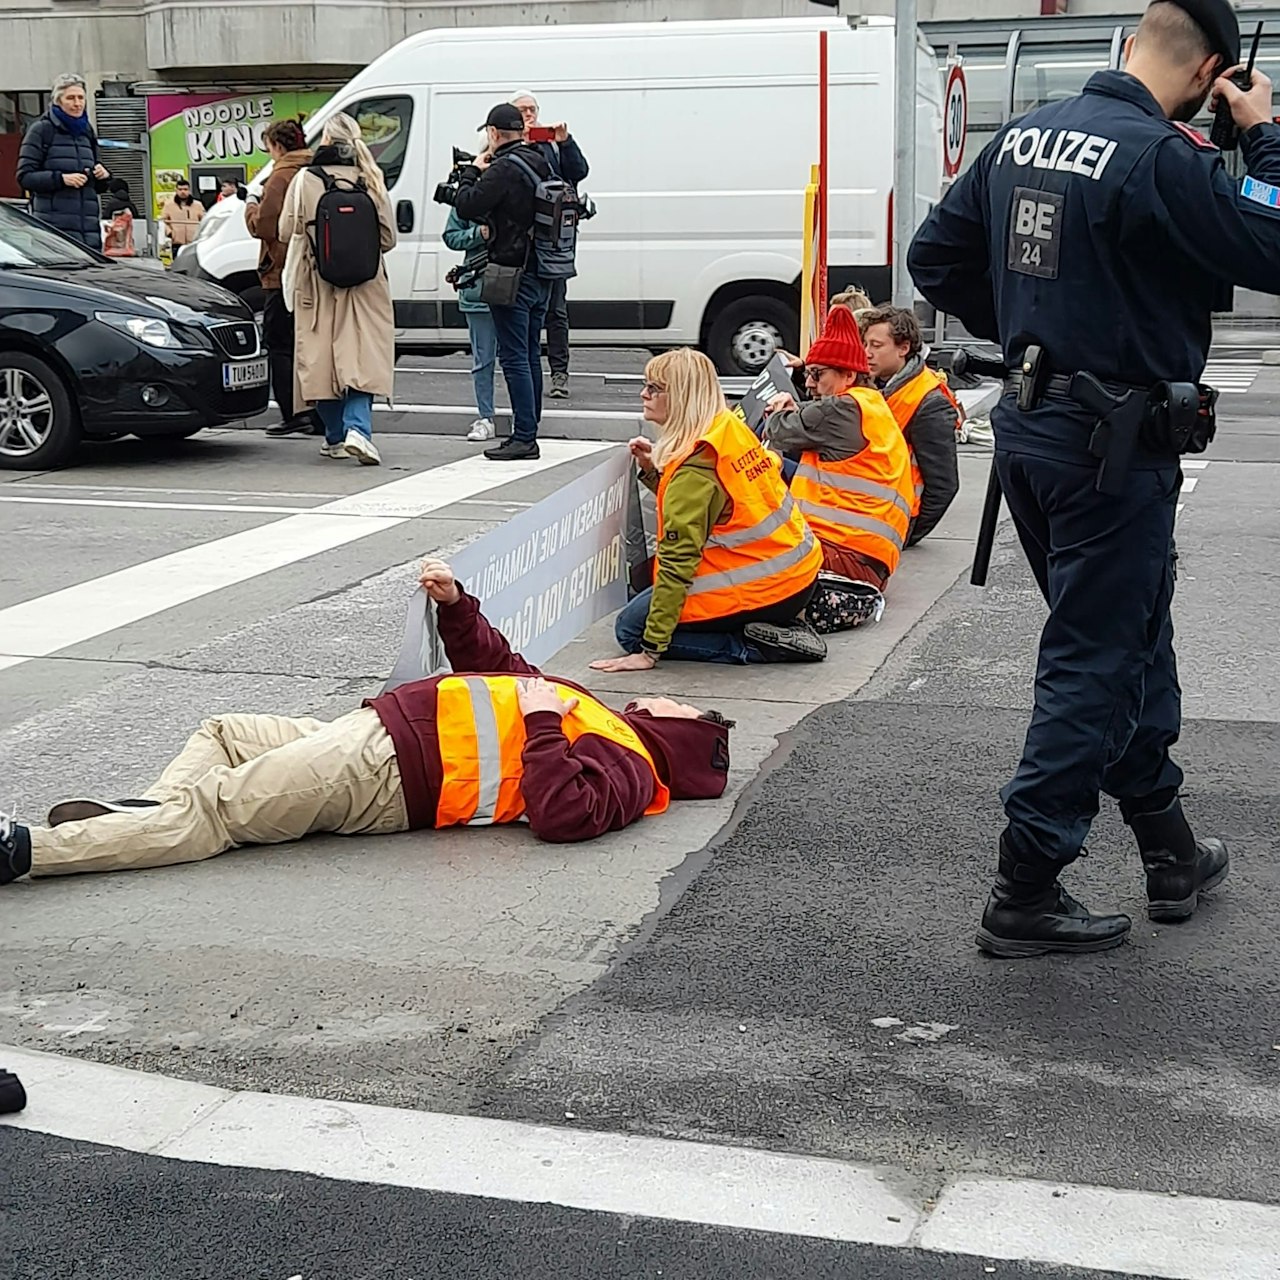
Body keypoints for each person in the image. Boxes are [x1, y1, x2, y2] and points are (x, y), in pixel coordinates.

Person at [906, 0, 1280, 959]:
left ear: (1129, 46)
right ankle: (1025, 884)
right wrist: (1265, 135)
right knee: (1094, 659)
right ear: (1211, 78)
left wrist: (1042, 325)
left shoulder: (1023, 135)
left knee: (1130, 640)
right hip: (1115, 449)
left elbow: (934, 259)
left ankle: (1170, 850)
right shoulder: (1164, 158)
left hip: (1035, 436)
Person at [0, 559, 733, 885]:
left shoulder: (635, 771)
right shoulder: (607, 723)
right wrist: (456, 607)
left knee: (216, 813)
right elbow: (504, 673)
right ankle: (147, 816)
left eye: (675, 704)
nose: (662, 697)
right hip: (376, 736)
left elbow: (564, 815)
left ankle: (31, 850)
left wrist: (542, 726)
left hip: (386, 775)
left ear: (681, 731)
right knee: (222, 731)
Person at [591, 348, 826, 671]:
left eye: (654, 388)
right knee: (652, 596)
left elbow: (678, 563)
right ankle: (768, 627)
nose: (643, 394)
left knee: (630, 629)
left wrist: (650, 651)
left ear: (682, 397)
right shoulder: (725, 428)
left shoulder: (695, 470)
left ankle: (753, 645)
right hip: (796, 575)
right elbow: (707, 508)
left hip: (769, 587)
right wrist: (652, 471)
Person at [759, 306, 914, 631]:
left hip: (843, 555)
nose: (811, 383)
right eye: (808, 374)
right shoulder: (869, 405)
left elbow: (781, 429)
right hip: (864, 556)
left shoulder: (841, 408)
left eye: (818, 374)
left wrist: (777, 410)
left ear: (847, 374)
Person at [279, 112, 395, 467]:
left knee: (321, 360)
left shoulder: (305, 179)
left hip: (318, 282)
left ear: (325, 141)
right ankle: (358, 429)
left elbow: (286, 230)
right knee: (362, 355)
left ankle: (335, 436)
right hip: (366, 283)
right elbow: (388, 238)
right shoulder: (371, 178)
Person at [454, 104, 557, 462]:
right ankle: (529, 427)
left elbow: (467, 206)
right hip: (543, 269)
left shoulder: (501, 170)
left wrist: (470, 172)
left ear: (494, 134)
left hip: (510, 271)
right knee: (529, 354)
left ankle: (524, 437)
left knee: (513, 356)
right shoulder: (540, 161)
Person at [859, 304, 961, 546]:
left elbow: (944, 485)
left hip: (894, 521)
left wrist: (908, 536)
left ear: (903, 348)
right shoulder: (877, 384)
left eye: (876, 345)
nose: (867, 353)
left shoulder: (929, 402)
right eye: (865, 344)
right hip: (871, 512)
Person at [512, 89, 590, 401]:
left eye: (531, 109)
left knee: (556, 310)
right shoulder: (505, 146)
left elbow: (578, 173)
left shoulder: (552, 145)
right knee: (525, 309)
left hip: (554, 241)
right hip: (520, 242)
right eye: (521, 110)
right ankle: (526, 371)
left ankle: (559, 373)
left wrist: (563, 142)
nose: (528, 115)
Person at [246, 119, 319, 439]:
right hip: (313, 269)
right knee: (311, 344)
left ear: (277, 146)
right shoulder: (315, 169)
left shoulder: (280, 177)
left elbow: (265, 226)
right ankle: (319, 413)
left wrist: (251, 206)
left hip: (281, 271)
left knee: (280, 344)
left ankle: (293, 413)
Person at [16, 73, 110, 250]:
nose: (77, 103)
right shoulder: (42, 130)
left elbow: (99, 186)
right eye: (71, 98)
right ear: (58, 101)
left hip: (89, 233)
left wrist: (103, 176)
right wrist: (61, 179)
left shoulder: (87, 132)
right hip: (53, 234)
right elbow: (24, 176)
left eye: (81, 98)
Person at [443, 205, 500, 441]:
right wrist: (478, 234)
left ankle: (524, 418)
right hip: (479, 289)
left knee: (518, 359)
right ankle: (485, 416)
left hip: (510, 288)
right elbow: (451, 236)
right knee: (483, 360)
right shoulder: (470, 197)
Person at [100, 178, 138, 258]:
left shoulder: (111, 204)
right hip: (130, 243)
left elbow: (105, 219)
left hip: (113, 245)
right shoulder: (130, 204)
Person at [161, 179, 203, 250]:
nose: (183, 192)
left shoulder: (198, 205)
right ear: (176, 191)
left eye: (185, 189)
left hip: (193, 242)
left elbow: (204, 220)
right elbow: (163, 221)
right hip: (176, 242)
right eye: (180, 189)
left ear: (189, 191)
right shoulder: (169, 205)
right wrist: (170, 233)